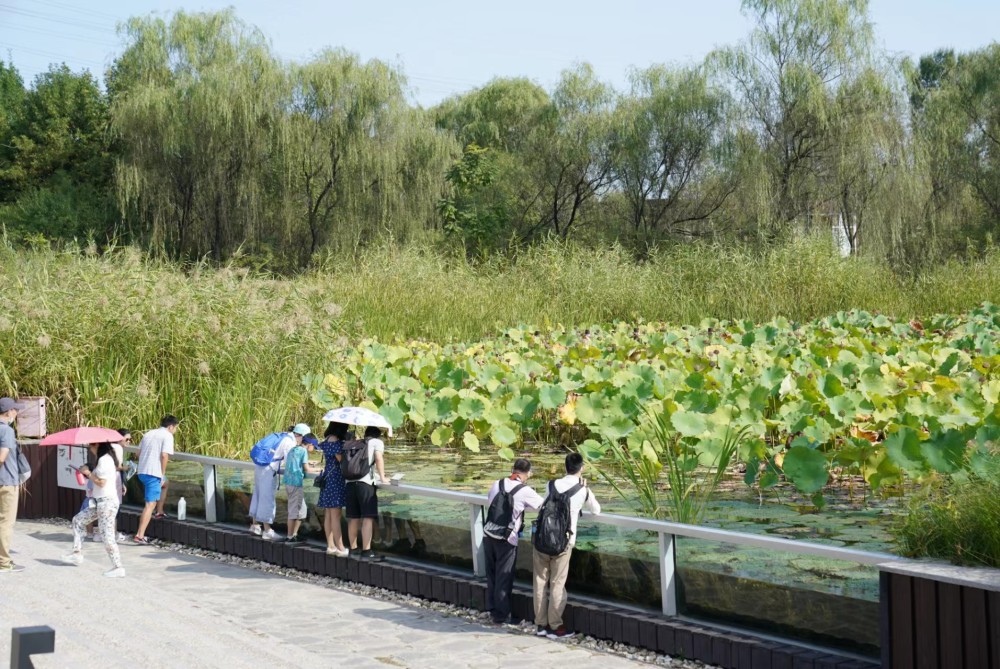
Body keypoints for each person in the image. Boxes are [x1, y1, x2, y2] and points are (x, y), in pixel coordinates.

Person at [532, 452, 601, 639]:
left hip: (542, 540)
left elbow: (541, 505)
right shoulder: (582, 489)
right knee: (557, 583)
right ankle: (555, 626)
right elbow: (596, 510)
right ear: (582, 468)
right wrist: (584, 489)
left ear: (565, 467)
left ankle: (540, 625)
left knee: (539, 582)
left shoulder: (551, 484)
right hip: (564, 542)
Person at [484, 458, 543, 625]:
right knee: (504, 576)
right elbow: (542, 505)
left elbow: (490, 501)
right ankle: (501, 615)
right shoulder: (525, 491)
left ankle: (492, 608)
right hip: (507, 539)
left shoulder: (497, 483)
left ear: (513, 469)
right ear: (528, 473)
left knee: (492, 574)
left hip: (488, 534)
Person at [62, 442, 126, 577]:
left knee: (107, 536)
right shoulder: (106, 459)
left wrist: (87, 473)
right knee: (78, 520)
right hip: (100, 502)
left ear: (97, 446)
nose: (89, 449)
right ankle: (77, 553)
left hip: (106, 503)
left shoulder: (104, 460)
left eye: (90, 446)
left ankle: (118, 567)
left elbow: (102, 483)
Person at [249, 423, 310, 541]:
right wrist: (306, 464)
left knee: (258, 494)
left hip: (260, 466)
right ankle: (267, 531)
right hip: (269, 469)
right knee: (267, 498)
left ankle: (255, 525)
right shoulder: (290, 442)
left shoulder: (283, 435)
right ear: (301, 435)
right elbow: (290, 461)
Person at [133, 415, 179, 545]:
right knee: (149, 505)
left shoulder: (149, 433)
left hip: (142, 471)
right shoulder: (168, 436)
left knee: (166, 484)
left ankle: (160, 511)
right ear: (171, 426)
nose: (175, 430)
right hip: (153, 474)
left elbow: (137, 453)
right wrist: (162, 474)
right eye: (175, 428)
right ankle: (139, 535)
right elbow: (164, 455)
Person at [345, 426, 387, 559]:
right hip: (365, 483)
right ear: (377, 435)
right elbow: (378, 458)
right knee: (367, 518)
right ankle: (367, 550)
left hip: (350, 483)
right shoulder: (376, 442)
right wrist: (383, 477)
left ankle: (353, 549)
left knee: (353, 518)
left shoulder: (356, 443)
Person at [0, 397, 26, 573]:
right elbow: (2, 457)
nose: (16, 413)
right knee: (5, 523)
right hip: (7, 483)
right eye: (15, 410)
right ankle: (3, 562)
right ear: (8, 412)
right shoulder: (6, 431)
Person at [317, 422, 349, 557]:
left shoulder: (327, 440)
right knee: (336, 515)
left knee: (329, 514)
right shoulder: (336, 442)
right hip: (336, 478)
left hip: (327, 476)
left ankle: (330, 545)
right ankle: (340, 547)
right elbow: (341, 460)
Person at [283, 433, 320, 543]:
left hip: (288, 483)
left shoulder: (294, 449)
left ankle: (294, 534)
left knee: (301, 510)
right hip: (295, 483)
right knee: (294, 511)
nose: (313, 450)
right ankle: (290, 537)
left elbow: (296, 463)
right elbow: (307, 469)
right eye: (313, 447)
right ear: (309, 445)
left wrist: (309, 463)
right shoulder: (304, 451)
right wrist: (318, 470)